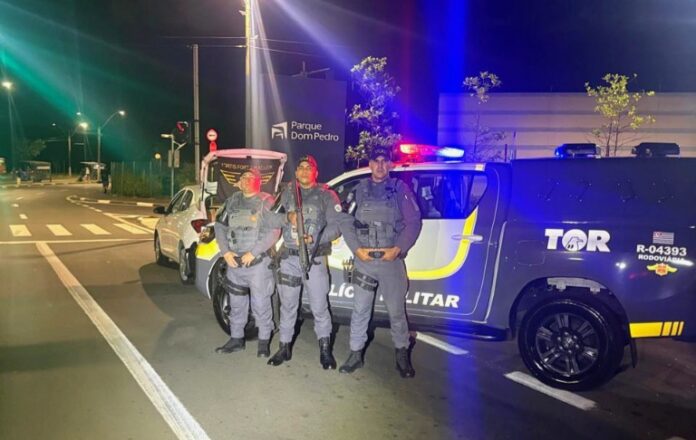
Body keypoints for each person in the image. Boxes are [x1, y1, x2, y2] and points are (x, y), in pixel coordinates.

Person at [338, 146, 422, 378]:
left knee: (396, 312)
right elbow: (345, 220)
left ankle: (402, 354)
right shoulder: (359, 189)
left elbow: (414, 222)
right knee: (360, 309)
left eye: (385, 161)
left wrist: (398, 248)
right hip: (364, 261)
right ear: (370, 164)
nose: (380, 165)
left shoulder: (400, 189)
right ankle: (355, 354)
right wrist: (356, 249)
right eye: (376, 161)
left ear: (390, 164)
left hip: (390, 261)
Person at [265, 155, 346, 370]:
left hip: (314, 258)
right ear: (296, 172)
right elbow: (269, 218)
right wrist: (287, 217)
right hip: (289, 258)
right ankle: (284, 347)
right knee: (288, 305)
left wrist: (315, 238)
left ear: (315, 172)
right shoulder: (287, 193)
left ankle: (325, 350)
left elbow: (336, 226)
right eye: (300, 167)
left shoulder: (326, 195)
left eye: (308, 167)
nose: (303, 171)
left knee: (319, 306)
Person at [214, 167, 280, 358]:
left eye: (252, 177)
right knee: (236, 303)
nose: (247, 180)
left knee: (261, 304)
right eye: (244, 177)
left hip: (258, 264)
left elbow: (274, 231)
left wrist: (254, 252)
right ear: (239, 182)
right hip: (235, 263)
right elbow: (219, 226)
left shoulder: (267, 201)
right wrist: (226, 252)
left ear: (259, 182)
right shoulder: (231, 201)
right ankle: (236, 339)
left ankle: (264, 342)